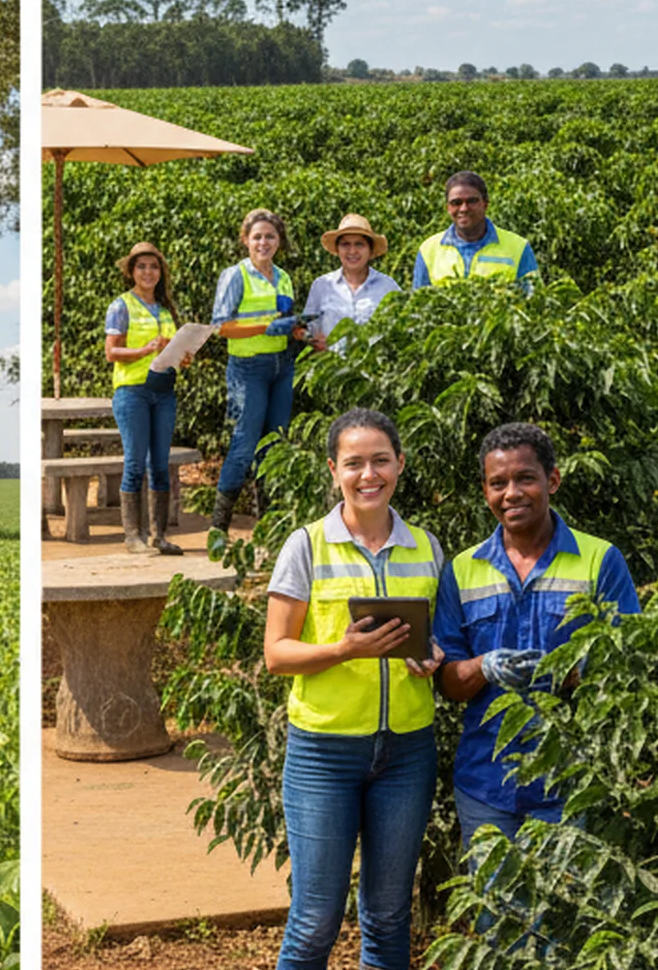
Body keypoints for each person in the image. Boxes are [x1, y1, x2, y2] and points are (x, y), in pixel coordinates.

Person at [264, 408, 445, 970]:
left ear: (400, 464)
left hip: (407, 753)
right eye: (354, 463)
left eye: (380, 461)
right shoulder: (307, 546)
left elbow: (439, 641)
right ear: (333, 470)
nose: (369, 474)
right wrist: (343, 650)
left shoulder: (427, 548)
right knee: (315, 918)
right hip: (323, 754)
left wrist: (433, 657)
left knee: (390, 916)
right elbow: (276, 653)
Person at [432, 422, 639, 846]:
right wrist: (485, 667)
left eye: (525, 478)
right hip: (486, 784)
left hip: (575, 781)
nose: (511, 493)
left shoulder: (600, 559)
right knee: (496, 912)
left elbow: (629, 667)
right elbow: (448, 681)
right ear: (485, 491)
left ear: (553, 480)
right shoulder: (461, 569)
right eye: (498, 483)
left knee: (569, 909)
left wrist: (564, 673)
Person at [210, 208, 307, 538]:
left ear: (279, 241)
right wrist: (267, 327)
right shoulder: (236, 276)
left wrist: (298, 330)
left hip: (281, 367)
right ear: (245, 240)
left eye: (270, 236)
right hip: (248, 370)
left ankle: (267, 524)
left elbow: (284, 321)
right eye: (257, 237)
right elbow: (221, 327)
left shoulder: (283, 277)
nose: (263, 242)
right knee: (244, 444)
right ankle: (219, 529)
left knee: (274, 444)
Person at [103, 242, 194, 555]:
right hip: (133, 392)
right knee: (135, 463)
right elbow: (111, 351)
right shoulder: (121, 305)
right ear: (131, 271)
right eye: (141, 266)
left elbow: (176, 349)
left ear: (161, 272)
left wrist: (183, 355)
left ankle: (160, 535)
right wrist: (146, 350)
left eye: (153, 267)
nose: (148, 272)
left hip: (164, 391)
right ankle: (133, 536)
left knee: (160, 464)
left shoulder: (167, 308)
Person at [411, 171, 539, 289]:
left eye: (472, 201)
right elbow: (418, 304)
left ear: (485, 204)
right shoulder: (429, 250)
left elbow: (535, 302)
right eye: (456, 203)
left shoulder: (518, 247)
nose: (464, 208)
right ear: (448, 208)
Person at [302, 213, 401, 352]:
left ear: (370, 250)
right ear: (337, 249)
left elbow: (400, 330)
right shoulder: (322, 285)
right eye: (345, 244)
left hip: (375, 371)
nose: (352, 251)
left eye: (359, 244)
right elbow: (309, 330)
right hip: (331, 369)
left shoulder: (388, 287)